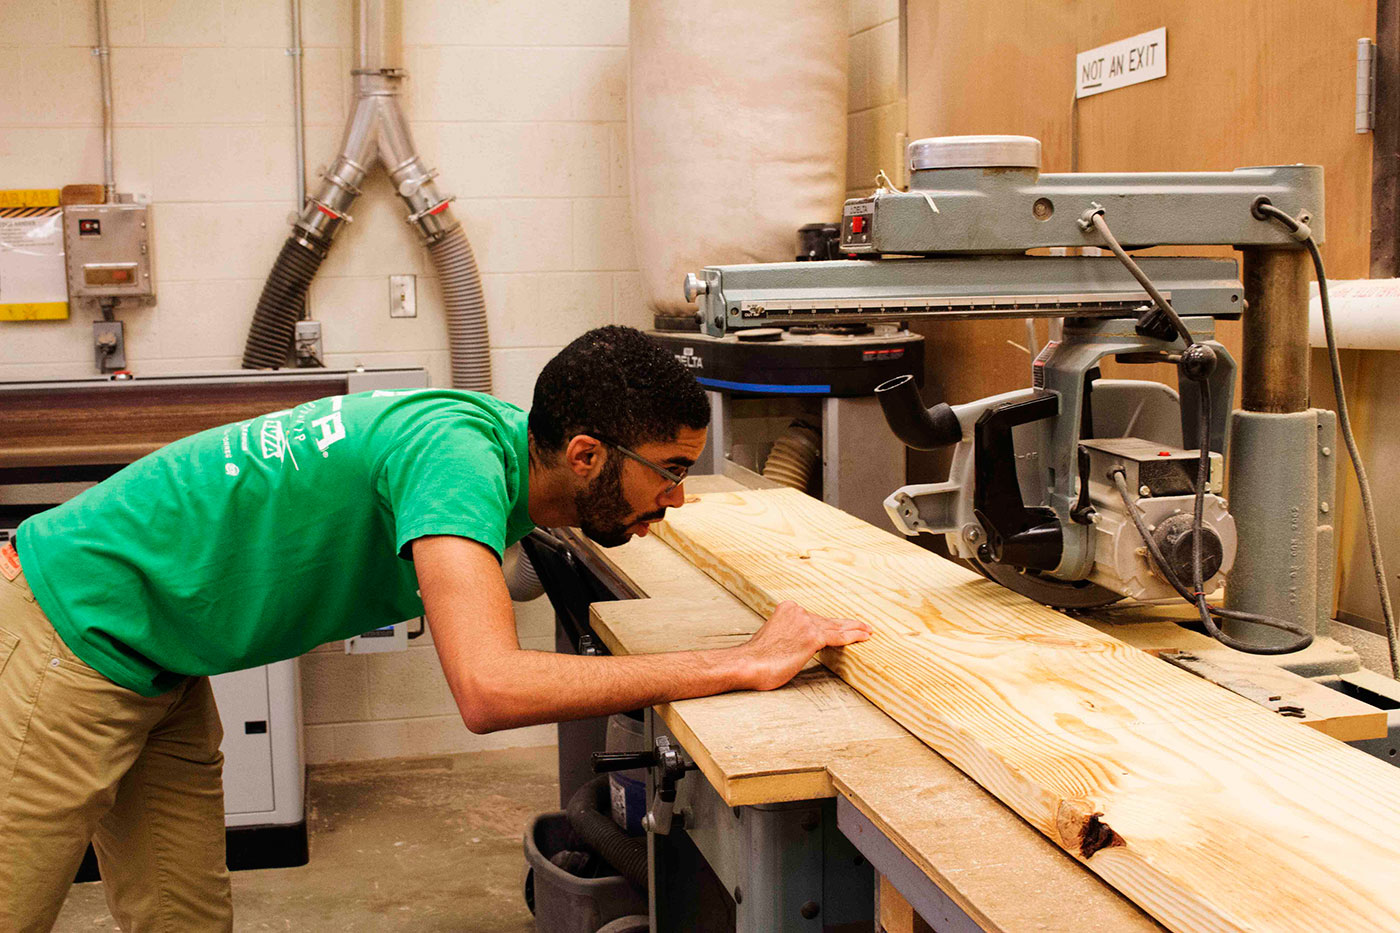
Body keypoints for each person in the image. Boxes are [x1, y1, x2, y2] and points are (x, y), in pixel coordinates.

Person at [0, 325, 871, 931]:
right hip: (72, 633)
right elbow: (489, 689)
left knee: (182, 918)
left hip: (164, 656)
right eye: (672, 473)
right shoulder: (457, 462)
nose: (677, 502)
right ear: (584, 455)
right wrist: (734, 662)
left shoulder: (492, 447)